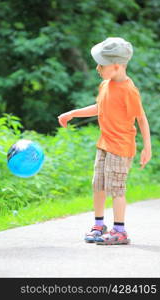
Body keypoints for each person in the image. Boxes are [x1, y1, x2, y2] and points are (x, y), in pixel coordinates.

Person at [57, 37, 152, 245]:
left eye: (102, 64)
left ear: (117, 66)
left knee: (116, 189)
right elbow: (99, 107)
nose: (98, 68)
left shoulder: (129, 90)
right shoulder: (105, 85)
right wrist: (73, 113)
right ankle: (99, 225)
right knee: (98, 185)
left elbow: (141, 118)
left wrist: (147, 147)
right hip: (104, 145)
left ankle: (120, 230)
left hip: (120, 147)